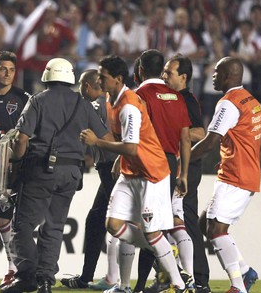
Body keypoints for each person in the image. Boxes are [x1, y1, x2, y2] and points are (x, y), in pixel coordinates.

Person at [80, 55, 189, 293]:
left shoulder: (129, 105)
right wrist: (120, 157)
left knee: (151, 232)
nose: (99, 80)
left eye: (103, 76)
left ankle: (179, 284)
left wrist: (97, 142)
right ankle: (157, 250)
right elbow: (126, 142)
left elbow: (132, 146)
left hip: (152, 173)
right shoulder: (111, 98)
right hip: (131, 172)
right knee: (113, 224)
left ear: (118, 79)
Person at [1, 58, 109, 293]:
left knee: (22, 226)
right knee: (54, 227)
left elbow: (21, 139)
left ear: (47, 75)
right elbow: (105, 139)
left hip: (41, 169)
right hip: (72, 173)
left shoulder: (38, 101)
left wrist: (16, 161)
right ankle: (46, 280)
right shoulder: (84, 105)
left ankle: (28, 276)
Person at [190, 57, 261, 293]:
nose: (213, 75)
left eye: (217, 72)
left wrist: (181, 160)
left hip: (236, 176)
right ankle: (244, 272)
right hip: (244, 172)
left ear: (230, 76)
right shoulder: (251, 101)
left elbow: (210, 142)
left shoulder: (228, 103)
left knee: (216, 231)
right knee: (205, 224)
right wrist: (238, 152)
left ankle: (238, 287)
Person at [132, 49, 194, 293]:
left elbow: (134, 132)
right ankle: (167, 279)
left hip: (147, 162)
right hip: (170, 164)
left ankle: (167, 280)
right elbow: (186, 138)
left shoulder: (140, 94)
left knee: (143, 226)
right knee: (157, 224)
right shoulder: (177, 97)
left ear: (140, 71)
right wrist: (184, 173)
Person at [61, 69, 120, 291]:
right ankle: (88, 278)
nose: (101, 89)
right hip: (110, 167)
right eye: (99, 85)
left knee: (119, 223)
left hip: (111, 168)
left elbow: (106, 138)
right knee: (96, 221)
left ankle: (166, 268)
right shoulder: (108, 103)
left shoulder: (94, 105)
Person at [162, 55, 211, 293]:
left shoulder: (186, 99)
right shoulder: (170, 98)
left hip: (188, 169)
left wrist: (176, 131)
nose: (164, 76)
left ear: (183, 77)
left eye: (169, 73)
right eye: (163, 71)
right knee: (172, 222)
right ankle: (173, 276)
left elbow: (201, 133)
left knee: (187, 221)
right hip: (177, 167)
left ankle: (200, 278)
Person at [0, 50, 31, 286]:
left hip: (13, 166)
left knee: (6, 219)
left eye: (12, 69)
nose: (7, 74)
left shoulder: (23, 98)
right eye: (3, 69)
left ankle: (15, 267)